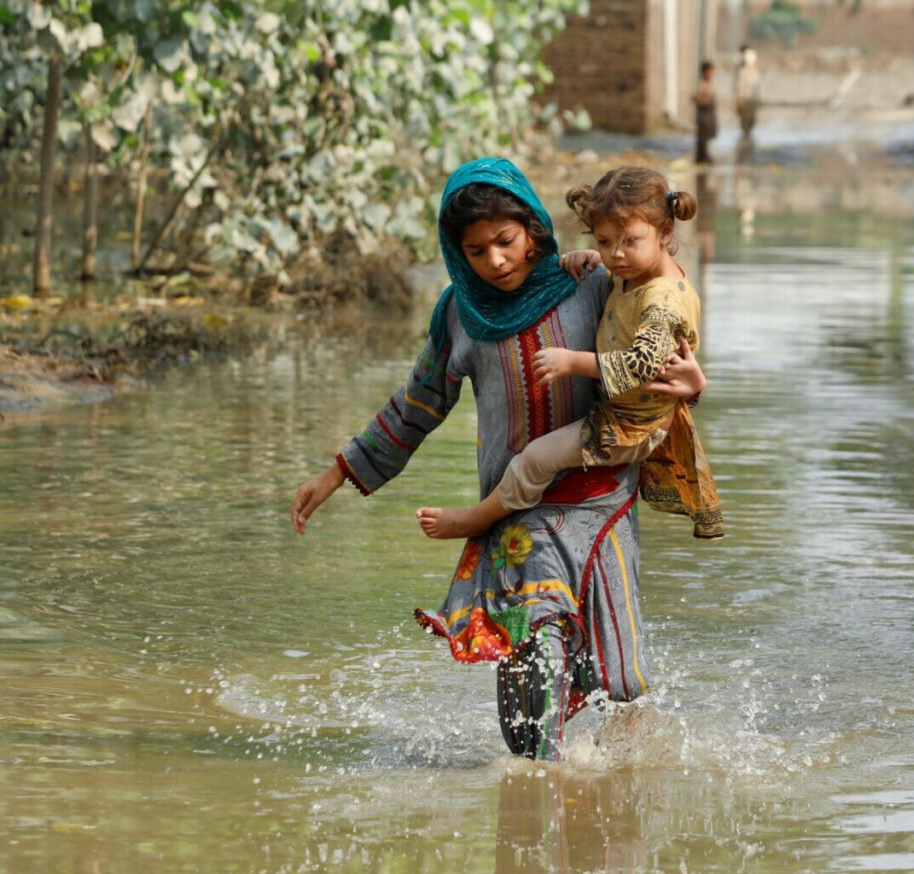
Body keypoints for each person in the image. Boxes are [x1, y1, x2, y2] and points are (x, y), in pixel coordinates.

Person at [289, 158, 706, 761]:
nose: (497, 262)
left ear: (535, 230)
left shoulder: (592, 284)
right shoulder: (460, 314)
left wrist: (694, 383)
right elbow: (418, 403)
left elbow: (661, 349)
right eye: (476, 251)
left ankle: (621, 815)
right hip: (516, 515)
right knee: (534, 682)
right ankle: (536, 808)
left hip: (604, 506)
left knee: (622, 687)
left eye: (506, 242)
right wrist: (339, 471)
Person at [416, 166, 723, 543]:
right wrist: (592, 256)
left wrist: (572, 361)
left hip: (626, 428)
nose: (616, 254)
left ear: (665, 233)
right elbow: (417, 403)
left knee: (534, 459)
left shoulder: (663, 300)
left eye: (629, 241)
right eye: (606, 241)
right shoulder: (622, 276)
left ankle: (479, 518)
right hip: (623, 418)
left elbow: (642, 365)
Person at [735, 45, 762, 147]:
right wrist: (739, 100)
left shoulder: (756, 72)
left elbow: (757, 87)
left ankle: (749, 136)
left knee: (752, 119)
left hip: (753, 101)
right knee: (744, 120)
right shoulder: (742, 72)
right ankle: (745, 136)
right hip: (745, 100)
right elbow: (740, 87)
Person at [694, 60, 718, 164]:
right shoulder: (702, 84)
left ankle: (706, 156)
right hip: (704, 114)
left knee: (708, 136)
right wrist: (704, 100)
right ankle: (702, 157)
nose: (711, 74)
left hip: (710, 114)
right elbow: (696, 98)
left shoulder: (710, 84)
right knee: (702, 137)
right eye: (709, 71)